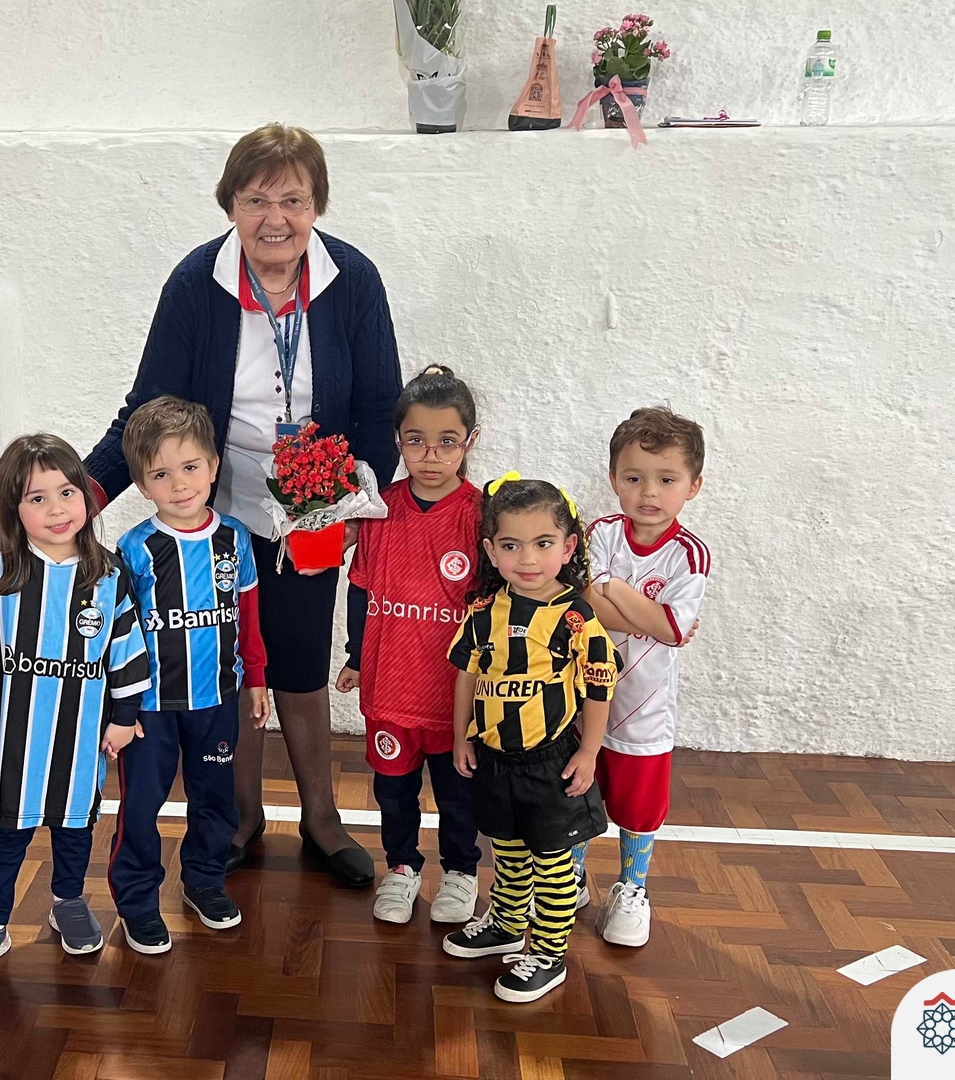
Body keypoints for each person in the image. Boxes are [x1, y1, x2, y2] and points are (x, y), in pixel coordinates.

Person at [85, 123, 402, 887]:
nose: (275, 218)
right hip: (214, 513)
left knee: (300, 662)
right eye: (256, 199)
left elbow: (380, 406)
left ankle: (322, 820)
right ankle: (240, 818)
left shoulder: (353, 279)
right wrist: (76, 498)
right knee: (230, 665)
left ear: (317, 206)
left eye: (293, 200)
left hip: (314, 512)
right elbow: (145, 409)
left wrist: (354, 506)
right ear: (230, 204)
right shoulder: (196, 284)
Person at [0, 435, 152, 984]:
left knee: (75, 827)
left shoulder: (107, 574)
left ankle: (67, 900)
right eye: (37, 498)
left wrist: (124, 718)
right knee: (6, 835)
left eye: (67, 492)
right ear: (13, 507)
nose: (56, 509)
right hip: (14, 744)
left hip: (81, 741)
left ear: (87, 497)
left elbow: (127, 651)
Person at [440, 476, 617, 1004]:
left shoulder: (575, 617)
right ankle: (507, 925)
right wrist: (461, 737)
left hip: (550, 761)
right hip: (495, 756)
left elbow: (599, 685)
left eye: (543, 543)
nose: (528, 559)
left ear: (567, 546)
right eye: (512, 545)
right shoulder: (483, 612)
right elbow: (467, 676)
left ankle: (548, 952)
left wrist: (589, 751)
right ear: (491, 550)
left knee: (552, 861)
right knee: (509, 848)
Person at [106, 397, 270, 953]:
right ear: (141, 484)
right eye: (160, 474)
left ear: (214, 465)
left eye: (190, 466)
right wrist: (120, 707)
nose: (179, 484)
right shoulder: (136, 548)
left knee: (215, 799)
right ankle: (137, 902)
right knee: (141, 806)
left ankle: (204, 881)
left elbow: (248, 615)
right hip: (150, 708)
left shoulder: (235, 539)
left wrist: (256, 679)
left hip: (217, 700)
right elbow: (118, 634)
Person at [337, 365, 484, 924]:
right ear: (398, 440)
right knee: (393, 792)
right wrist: (355, 656)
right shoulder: (378, 510)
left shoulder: (480, 515)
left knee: (456, 794)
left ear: (470, 441)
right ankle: (401, 867)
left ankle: (461, 872)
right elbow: (360, 588)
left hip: (454, 695)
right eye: (416, 440)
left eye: (447, 442)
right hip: (390, 687)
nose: (431, 455)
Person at [579, 407, 709, 949]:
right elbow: (584, 605)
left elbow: (673, 629)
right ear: (614, 479)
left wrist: (613, 591)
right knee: (577, 794)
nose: (649, 492)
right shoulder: (600, 533)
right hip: (582, 700)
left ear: (693, 486)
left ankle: (632, 888)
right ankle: (570, 882)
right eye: (634, 478)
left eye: (666, 479)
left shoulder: (688, 553)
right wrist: (648, 617)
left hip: (644, 709)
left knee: (638, 808)